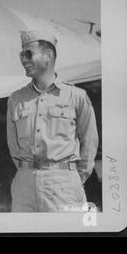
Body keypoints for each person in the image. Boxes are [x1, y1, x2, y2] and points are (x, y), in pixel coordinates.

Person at [7, 30, 98, 212]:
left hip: (63, 186)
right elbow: (13, 146)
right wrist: (28, 172)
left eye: (28, 54)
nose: (23, 60)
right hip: (24, 185)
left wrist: (71, 178)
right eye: (21, 55)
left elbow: (89, 143)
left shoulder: (76, 96)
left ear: (48, 56)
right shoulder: (16, 99)